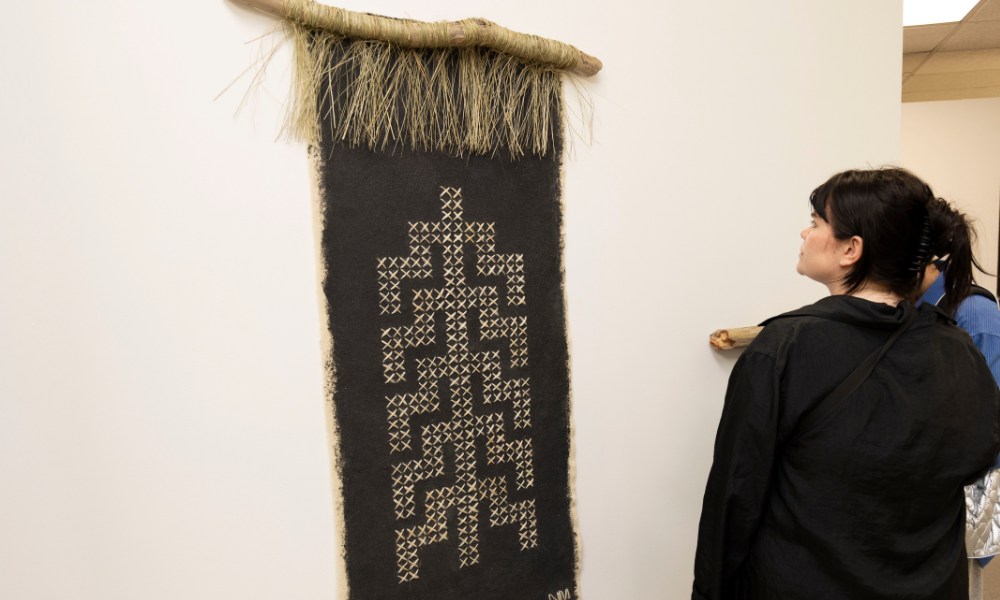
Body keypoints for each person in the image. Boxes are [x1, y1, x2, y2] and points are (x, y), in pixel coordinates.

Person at [692, 167, 1000, 600]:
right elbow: (977, 460)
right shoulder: (959, 349)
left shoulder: (785, 348)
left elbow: (734, 499)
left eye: (816, 222)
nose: (805, 232)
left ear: (851, 249)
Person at [917, 260, 1000, 599]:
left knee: (961, 585)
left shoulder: (973, 311)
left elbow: (989, 421)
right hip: (924, 490)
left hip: (967, 487)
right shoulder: (911, 306)